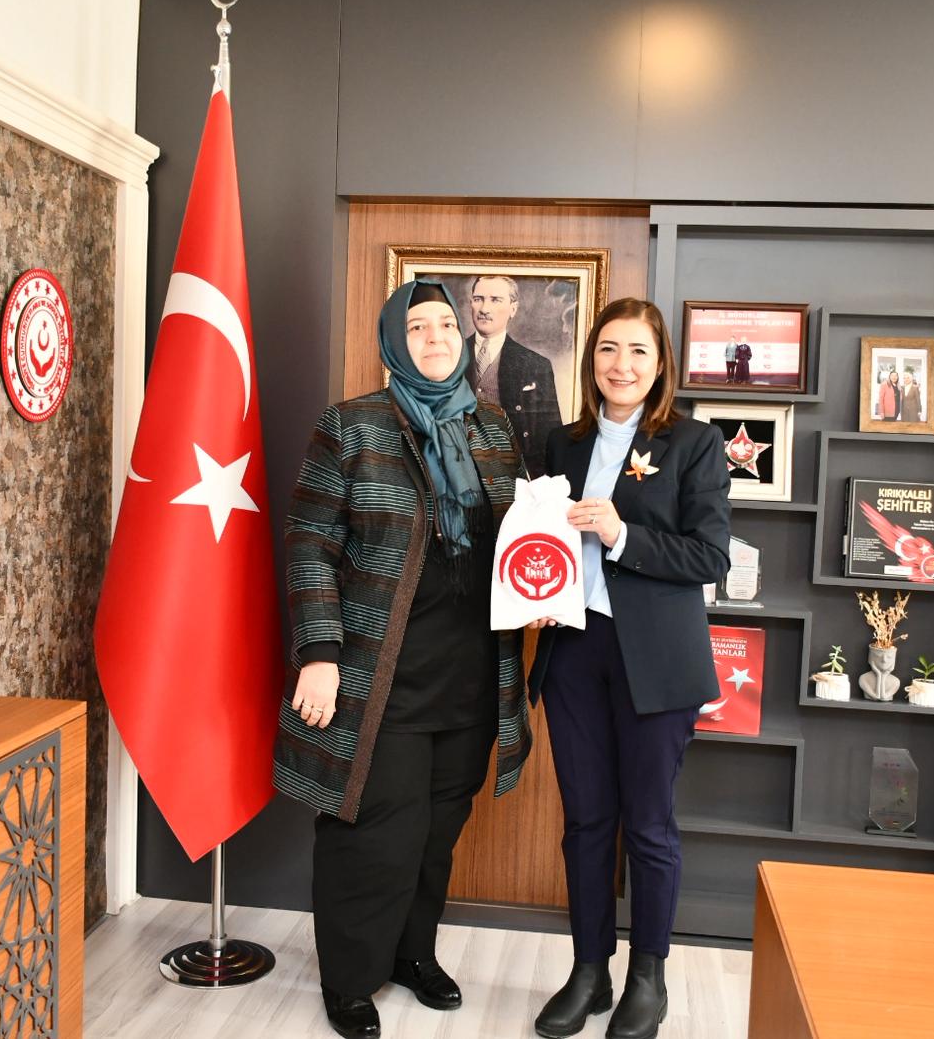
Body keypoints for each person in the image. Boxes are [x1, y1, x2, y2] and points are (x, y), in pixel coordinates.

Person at [274, 278, 534, 1039]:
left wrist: (544, 585)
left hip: (473, 676)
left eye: (446, 324)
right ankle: (352, 978)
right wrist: (319, 653)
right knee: (373, 833)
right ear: (394, 342)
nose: (436, 337)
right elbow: (310, 544)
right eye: (418, 327)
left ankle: (414, 954)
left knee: (436, 831)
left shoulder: (492, 428)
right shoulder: (351, 426)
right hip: (377, 675)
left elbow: (524, 539)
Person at [526, 297, 732, 1039]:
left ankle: (649, 976)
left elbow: (709, 556)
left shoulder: (695, 443)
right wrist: (536, 594)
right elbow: (539, 537)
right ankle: (589, 970)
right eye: (608, 349)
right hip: (574, 652)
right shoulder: (561, 443)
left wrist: (621, 534)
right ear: (591, 362)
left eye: (638, 351)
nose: (622, 365)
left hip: (657, 660)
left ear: (660, 362)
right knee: (586, 821)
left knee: (648, 824)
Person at [466, 274, 563, 476]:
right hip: (459, 476)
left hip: (514, 478)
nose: (484, 309)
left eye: (495, 300)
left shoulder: (535, 365)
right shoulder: (450, 356)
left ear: (513, 308)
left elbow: (549, 437)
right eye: (478, 299)